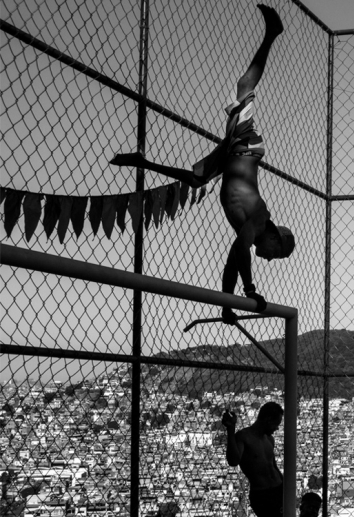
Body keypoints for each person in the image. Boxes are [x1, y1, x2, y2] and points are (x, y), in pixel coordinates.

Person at [110, 4, 294, 325]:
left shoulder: (247, 233)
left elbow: (232, 262)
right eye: (273, 254)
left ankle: (144, 162)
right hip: (244, 149)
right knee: (243, 88)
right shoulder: (258, 219)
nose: (267, 258)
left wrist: (226, 305)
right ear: (275, 238)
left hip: (232, 157)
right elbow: (240, 253)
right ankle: (271, 35)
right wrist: (250, 290)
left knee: (194, 180)